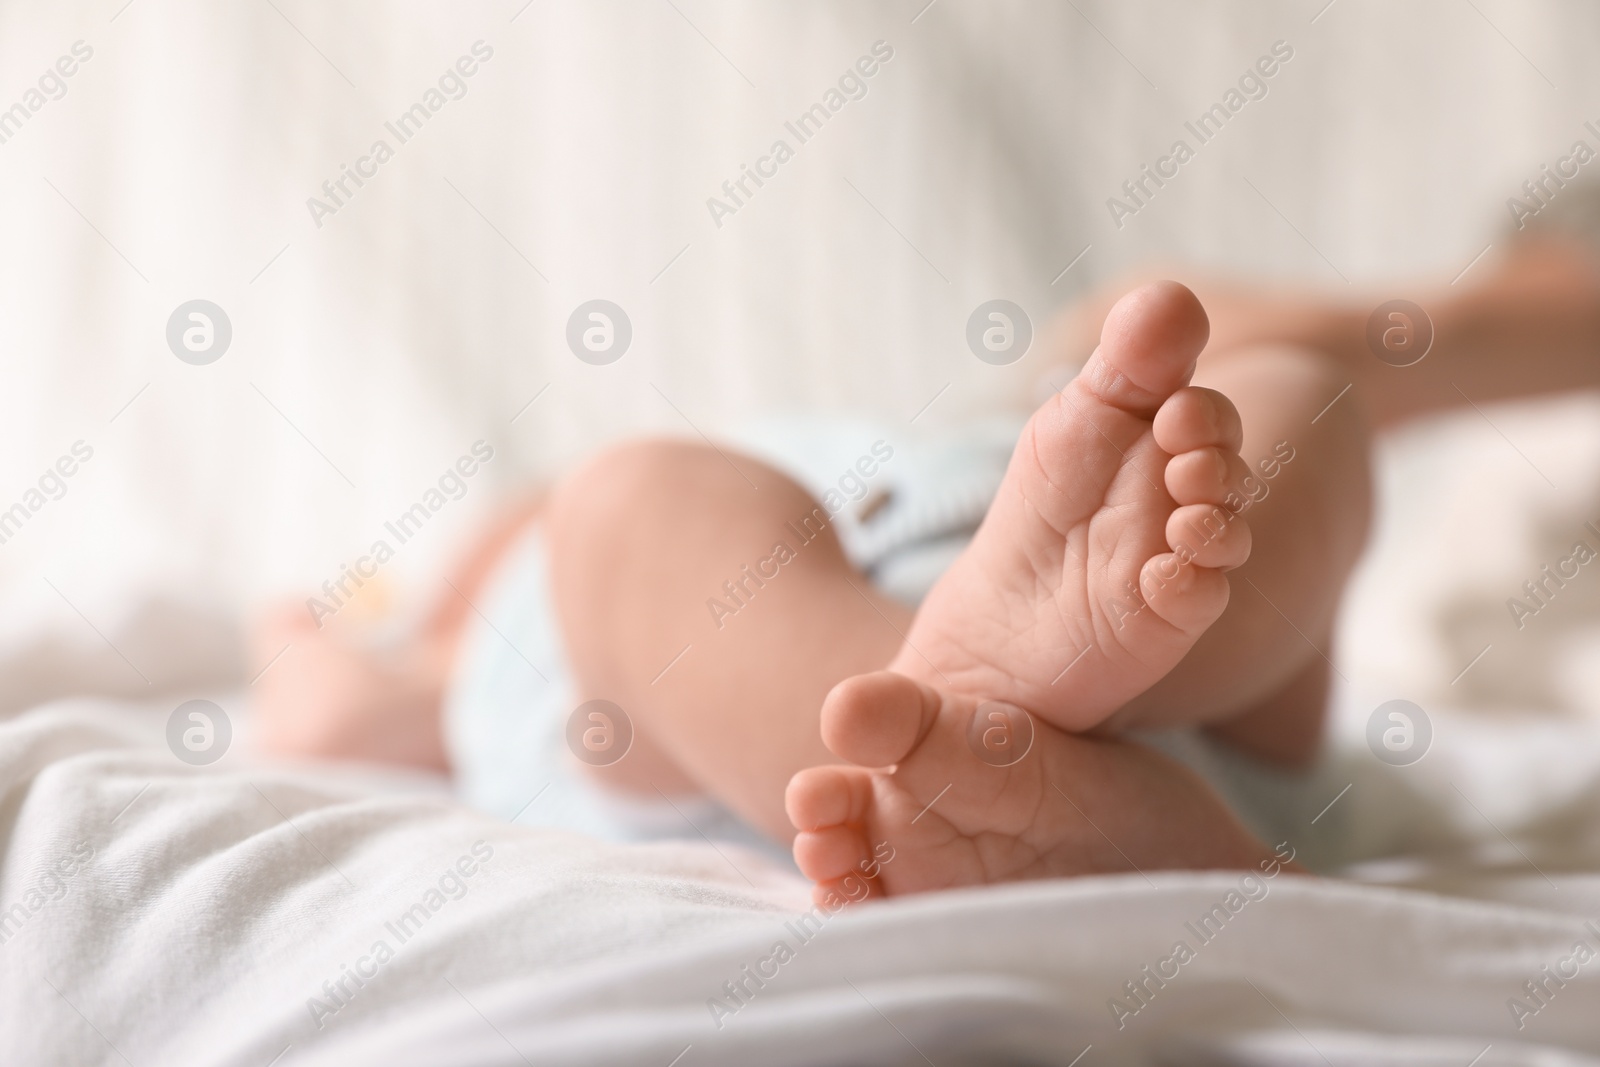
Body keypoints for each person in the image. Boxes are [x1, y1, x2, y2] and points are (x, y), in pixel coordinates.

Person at [252, 219, 1600, 900]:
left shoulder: (975, 430)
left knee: (1296, 391)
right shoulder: (483, 649)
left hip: (1089, 580)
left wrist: (308, 643)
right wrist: (315, 649)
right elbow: (328, 713)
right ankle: (1006, 734)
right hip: (806, 726)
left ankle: (1017, 706)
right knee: (622, 507)